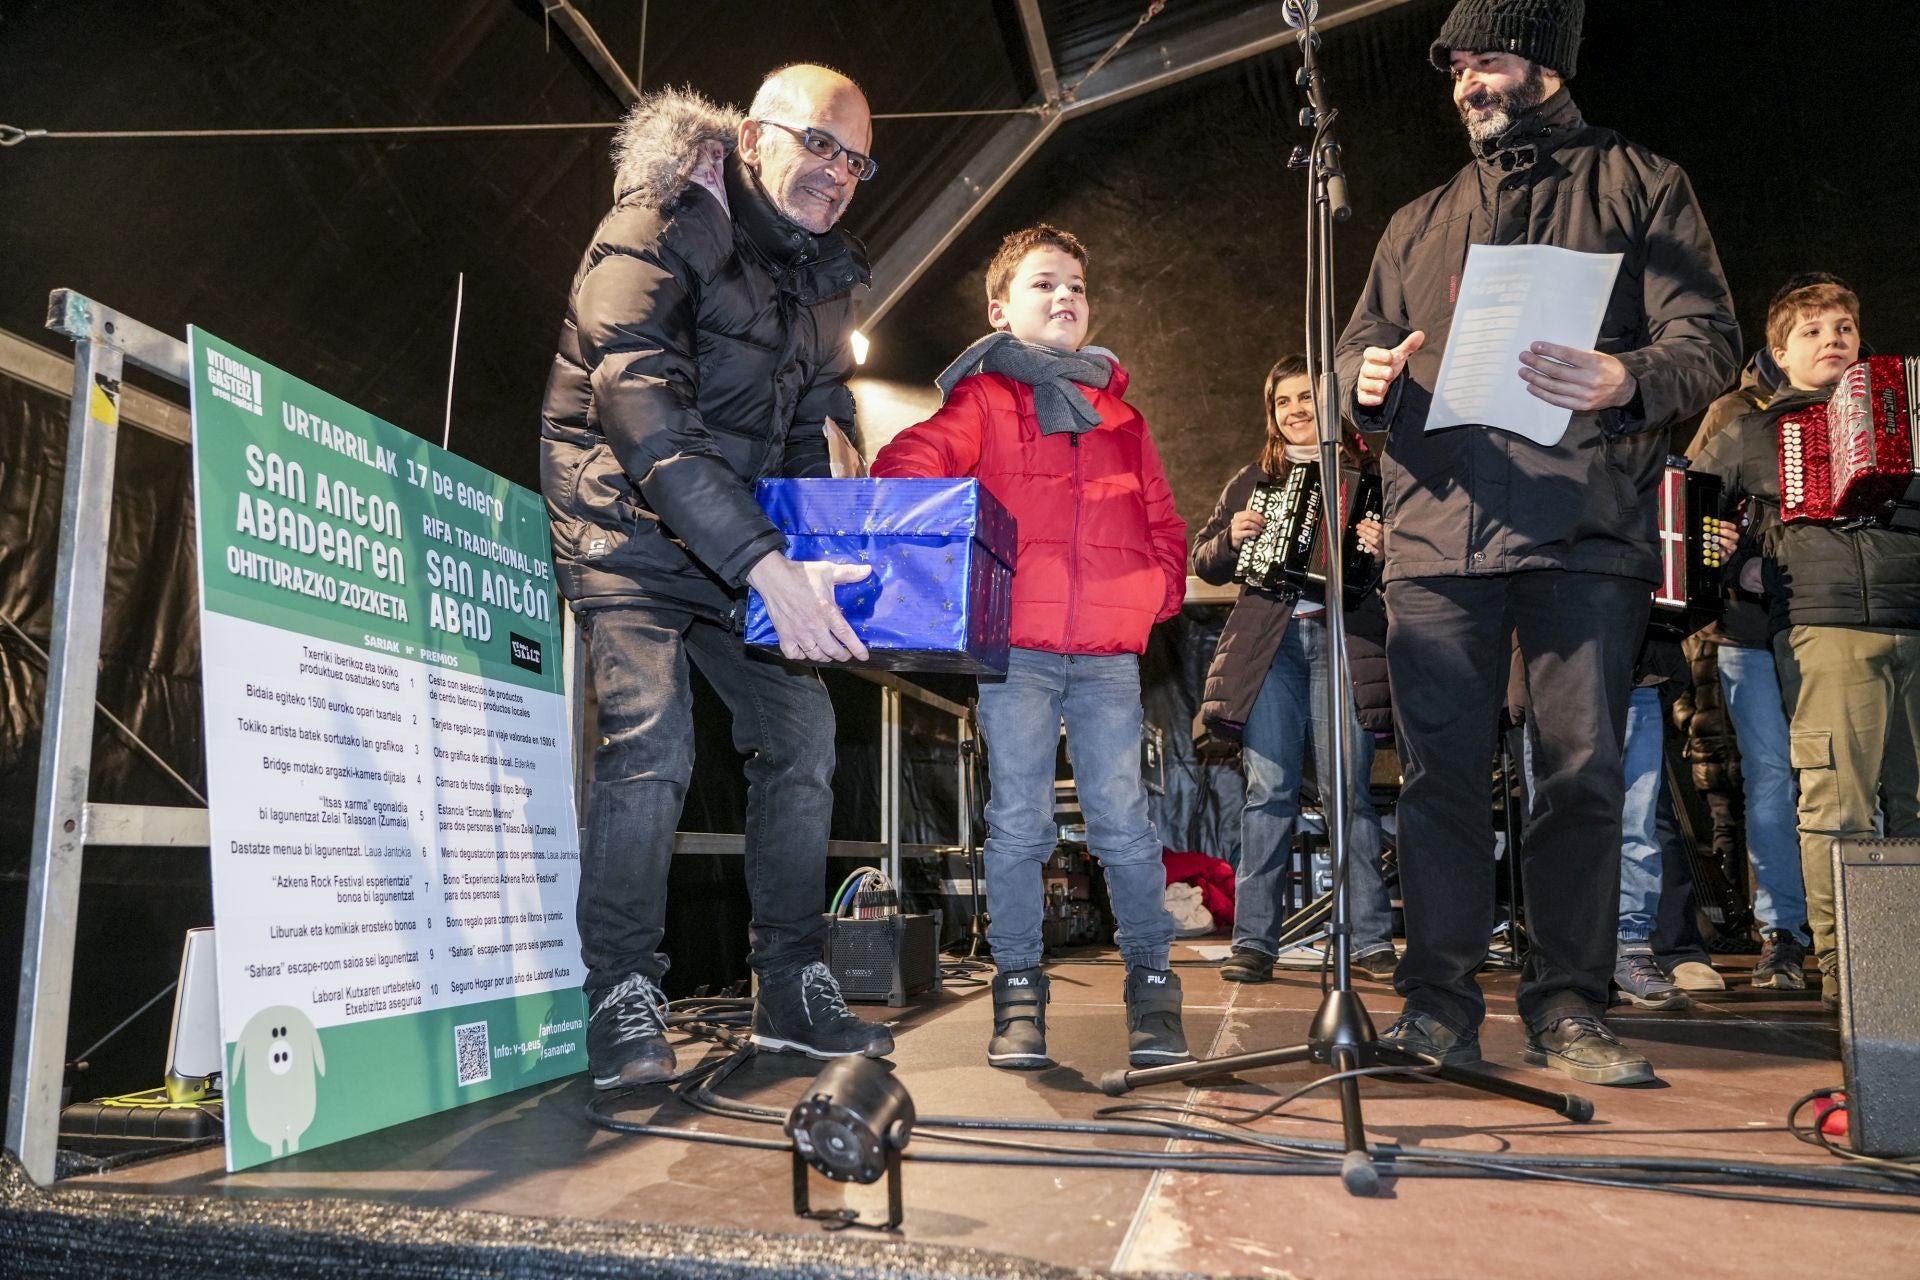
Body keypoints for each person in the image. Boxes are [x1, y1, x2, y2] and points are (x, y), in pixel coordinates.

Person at [1333, 0, 1739, 1086]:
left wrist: (1625, 378)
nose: (1467, 81)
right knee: (1439, 782)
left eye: (1489, 60)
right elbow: (1358, 341)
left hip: (1580, 529)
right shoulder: (1419, 218)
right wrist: (1358, 382)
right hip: (1436, 537)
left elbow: (1708, 341)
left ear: (1547, 65)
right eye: (1456, 67)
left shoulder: (1643, 183)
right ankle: (1438, 1006)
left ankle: (1569, 1005)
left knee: (1579, 777)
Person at [540, 67, 894, 1090]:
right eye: (819, 144)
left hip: (733, 534)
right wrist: (762, 562)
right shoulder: (658, 221)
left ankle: (787, 983)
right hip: (624, 515)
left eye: (856, 159)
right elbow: (638, 401)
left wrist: (828, 518)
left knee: (803, 729)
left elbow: (803, 426)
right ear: (752, 136)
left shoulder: (825, 281)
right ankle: (620, 990)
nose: (836, 172)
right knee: (652, 731)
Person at [870, 224, 1190, 1071]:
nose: (1065, 299)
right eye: (1045, 284)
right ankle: (1018, 994)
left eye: (1077, 287)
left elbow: (1166, 524)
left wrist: (1155, 591)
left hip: (1109, 657)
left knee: (1124, 823)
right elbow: (911, 459)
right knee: (1019, 824)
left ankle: (1153, 992)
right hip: (1017, 652)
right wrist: (916, 526)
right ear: (1000, 309)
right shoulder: (986, 401)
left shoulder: (1124, 418)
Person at [1690, 277, 1920, 1010]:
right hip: (1816, 623)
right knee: (1824, 798)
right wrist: (1733, 557)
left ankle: (1903, 957)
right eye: (1815, 331)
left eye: (1845, 328)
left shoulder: (1901, 414)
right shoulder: (1746, 424)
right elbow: (1695, 520)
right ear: (1779, 352)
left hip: (1909, 615)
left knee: (1910, 803)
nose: (1834, 340)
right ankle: (1839, 957)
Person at [1189, 355, 1397, 985]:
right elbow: (1205, 561)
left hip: (1343, 640)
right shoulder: (1251, 480)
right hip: (1270, 647)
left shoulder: (1368, 476)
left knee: (1348, 796)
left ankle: (1369, 941)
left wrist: (1387, 549)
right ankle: (1254, 942)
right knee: (1267, 794)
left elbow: (1412, 564)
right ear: (1272, 413)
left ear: (1331, 404)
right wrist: (1233, 536)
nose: (1296, 410)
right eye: (1283, 402)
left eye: (1307, 397)